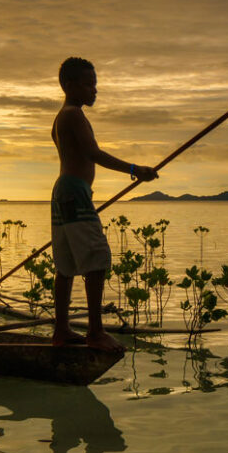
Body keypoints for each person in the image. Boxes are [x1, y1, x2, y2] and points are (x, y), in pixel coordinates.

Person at [51, 57, 159, 351]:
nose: (94, 91)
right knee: (97, 260)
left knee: (67, 265)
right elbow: (92, 153)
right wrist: (136, 169)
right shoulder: (72, 115)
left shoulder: (62, 117)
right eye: (88, 85)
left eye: (95, 85)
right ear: (69, 85)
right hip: (74, 191)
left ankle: (61, 331)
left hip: (64, 192)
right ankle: (95, 333)